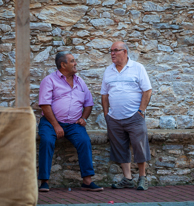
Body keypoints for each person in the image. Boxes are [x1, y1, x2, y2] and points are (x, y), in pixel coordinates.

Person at [38, 51, 103, 192]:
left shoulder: (80, 81)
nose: (76, 64)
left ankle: (87, 181)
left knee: (84, 141)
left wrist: (84, 118)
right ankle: (44, 181)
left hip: (74, 124)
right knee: (47, 141)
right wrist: (56, 125)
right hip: (50, 123)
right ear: (63, 65)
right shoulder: (49, 80)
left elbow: (89, 102)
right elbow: (45, 105)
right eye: (72, 61)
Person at [101, 41, 152, 190]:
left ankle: (143, 178)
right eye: (111, 50)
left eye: (116, 50)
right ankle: (127, 178)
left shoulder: (137, 68)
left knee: (140, 146)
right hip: (114, 118)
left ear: (125, 52)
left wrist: (141, 111)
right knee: (120, 147)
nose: (112, 53)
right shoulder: (108, 70)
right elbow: (104, 95)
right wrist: (106, 115)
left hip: (134, 117)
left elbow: (147, 91)